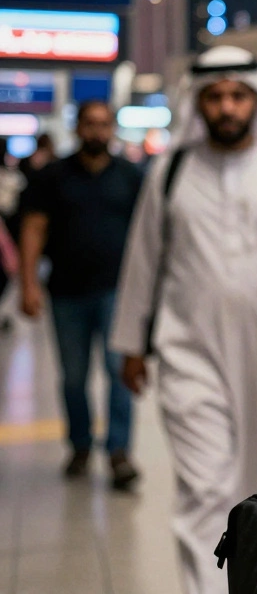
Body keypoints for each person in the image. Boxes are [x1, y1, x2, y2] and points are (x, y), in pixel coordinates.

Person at [110, 46, 257, 594]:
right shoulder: (170, 172)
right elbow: (143, 261)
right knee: (204, 491)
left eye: (238, 95)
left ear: (256, 100)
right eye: (214, 97)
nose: (226, 107)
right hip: (188, 354)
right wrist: (130, 344)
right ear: (197, 103)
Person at [18, 102, 144, 487]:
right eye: (90, 124)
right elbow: (34, 228)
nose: (97, 131)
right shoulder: (53, 176)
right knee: (73, 377)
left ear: (113, 130)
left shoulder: (130, 176)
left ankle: (119, 451)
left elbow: (147, 238)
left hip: (117, 294)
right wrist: (27, 283)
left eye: (104, 125)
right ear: (78, 129)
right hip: (66, 293)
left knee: (118, 374)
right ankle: (81, 445)